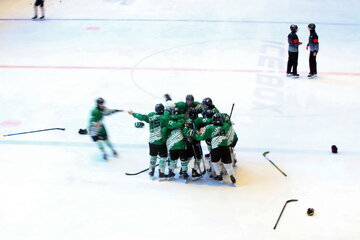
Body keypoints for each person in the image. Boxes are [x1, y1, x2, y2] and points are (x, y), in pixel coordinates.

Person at [128, 104, 170, 180]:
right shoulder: (165, 118)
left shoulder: (151, 116)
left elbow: (142, 117)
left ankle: (151, 171)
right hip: (160, 142)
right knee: (163, 157)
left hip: (151, 141)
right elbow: (167, 118)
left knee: (153, 156)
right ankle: (161, 173)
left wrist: (133, 113)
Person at [195, 113, 236, 184]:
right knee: (227, 162)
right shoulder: (226, 126)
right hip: (225, 147)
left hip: (215, 148)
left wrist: (196, 134)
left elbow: (201, 137)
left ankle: (219, 175)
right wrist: (229, 122)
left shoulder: (209, 128)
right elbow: (229, 126)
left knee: (215, 162)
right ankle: (231, 175)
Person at [166, 108, 189, 181]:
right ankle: (184, 173)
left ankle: (170, 172)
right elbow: (186, 131)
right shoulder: (184, 120)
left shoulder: (169, 121)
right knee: (184, 160)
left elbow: (166, 130)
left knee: (173, 160)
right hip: (181, 144)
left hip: (172, 145)